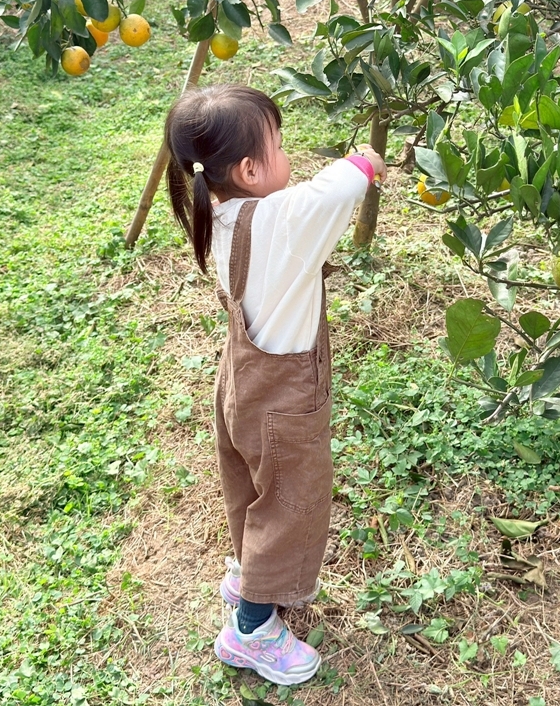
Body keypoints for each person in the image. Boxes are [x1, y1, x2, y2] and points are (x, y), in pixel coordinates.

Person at [164, 83, 387, 686]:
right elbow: (333, 189)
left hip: (240, 384)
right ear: (250, 169)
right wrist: (365, 162)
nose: (290, 158)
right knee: (291, 504)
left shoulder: (223, 213)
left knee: (252, 485)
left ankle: (245, 573)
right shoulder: (282, 223)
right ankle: (252, 629)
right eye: (281, 146)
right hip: (285, 400)